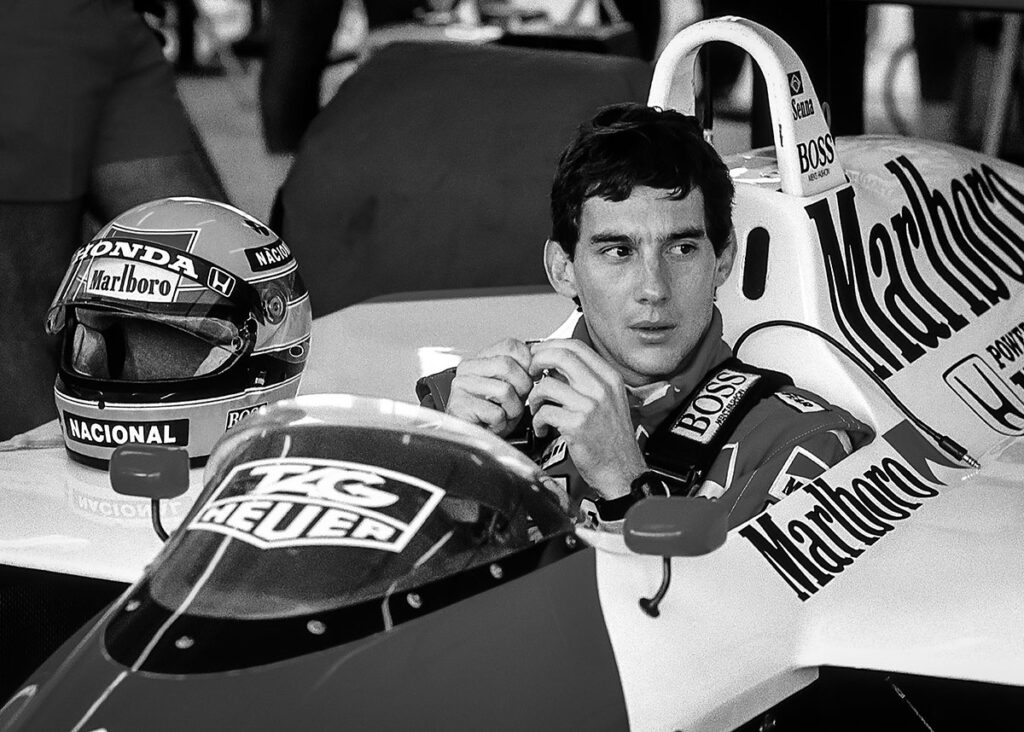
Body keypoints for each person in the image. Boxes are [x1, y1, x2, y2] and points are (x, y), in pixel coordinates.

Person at [416, 103, 874, 530]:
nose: (654, 289)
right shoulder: (469, 404)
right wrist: (458, 471)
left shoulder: (800, 441)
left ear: (723, 259)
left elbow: (753, 615)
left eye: (681, 248)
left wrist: (626, 485)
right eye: (619, 251)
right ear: (563, 270)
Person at [0, 0, 227, 440]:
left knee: (226, 279)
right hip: (22, 21)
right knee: (27, 303)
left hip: (118, 18)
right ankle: (46, 502)